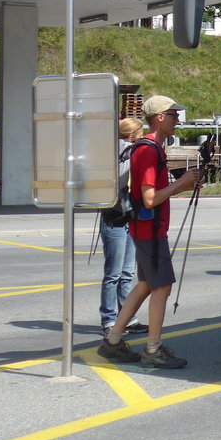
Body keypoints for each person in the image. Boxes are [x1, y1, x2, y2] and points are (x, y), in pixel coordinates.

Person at [98, 95, 203, 369]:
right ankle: (152, 349)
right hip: (150, 230)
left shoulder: (153, 148)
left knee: (146, 284)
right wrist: (181, 183)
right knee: (162, 286)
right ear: (159, 117)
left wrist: (184, 184)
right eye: (172, 114)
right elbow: (149, 199)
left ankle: (113, 341)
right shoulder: (147, 150)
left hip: (148, 229)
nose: (177, 119)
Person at [98, 118, 148, 337]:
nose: (142, 134)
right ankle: (110, 318)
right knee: (116, 273)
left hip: (123, 215)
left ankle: (126, 317)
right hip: (118, 215)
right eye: (140, 131)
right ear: (131, 135)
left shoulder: (123, 151)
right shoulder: (124, 152)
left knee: (125, 273)